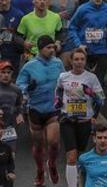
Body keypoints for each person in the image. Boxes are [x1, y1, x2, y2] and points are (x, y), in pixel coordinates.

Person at [17, 35, 65, 187]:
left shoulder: (58, 63)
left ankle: (51, 164)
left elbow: (65, 80)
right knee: (38, 145)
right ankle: (39, 170)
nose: (52, 50)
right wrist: (27, 88)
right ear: (40, 48)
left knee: (54, 142)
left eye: (53, 47)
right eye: (48, 47)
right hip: (35, 110)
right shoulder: (29, 66)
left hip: (53, 109)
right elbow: (19, 84)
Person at [55, 48, 105, 187]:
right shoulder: (63, 77)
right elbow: (58, 91)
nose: (79, 62)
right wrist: (58, 107)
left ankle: (80, 178)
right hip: (68, 121)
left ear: (85, 61)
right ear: (71, 61)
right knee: (71, 156)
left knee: (80, 156)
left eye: (82, 59)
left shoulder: (91, 78)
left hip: (85, 121)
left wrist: (90, 93)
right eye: (76, 59)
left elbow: (101, 99)